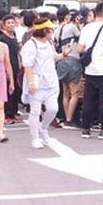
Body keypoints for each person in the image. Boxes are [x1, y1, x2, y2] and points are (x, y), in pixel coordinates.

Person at [75, 2, 103, 140]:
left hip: (90, 70)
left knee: (89, 99)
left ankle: (86, 129)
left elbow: (79, 49)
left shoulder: (87, 28)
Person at [20, 16, 60, 149]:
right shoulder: (30, 45)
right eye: (50, 30)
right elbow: (27, 65)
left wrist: (63, 55)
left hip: (51, 82)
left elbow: (54, 57)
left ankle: (43, 128)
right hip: (37, 82)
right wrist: (31, 83)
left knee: (53, 108)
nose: (52, 32)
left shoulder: (49, 43)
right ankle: (35, 137)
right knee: (35, 111)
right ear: (44, 31)